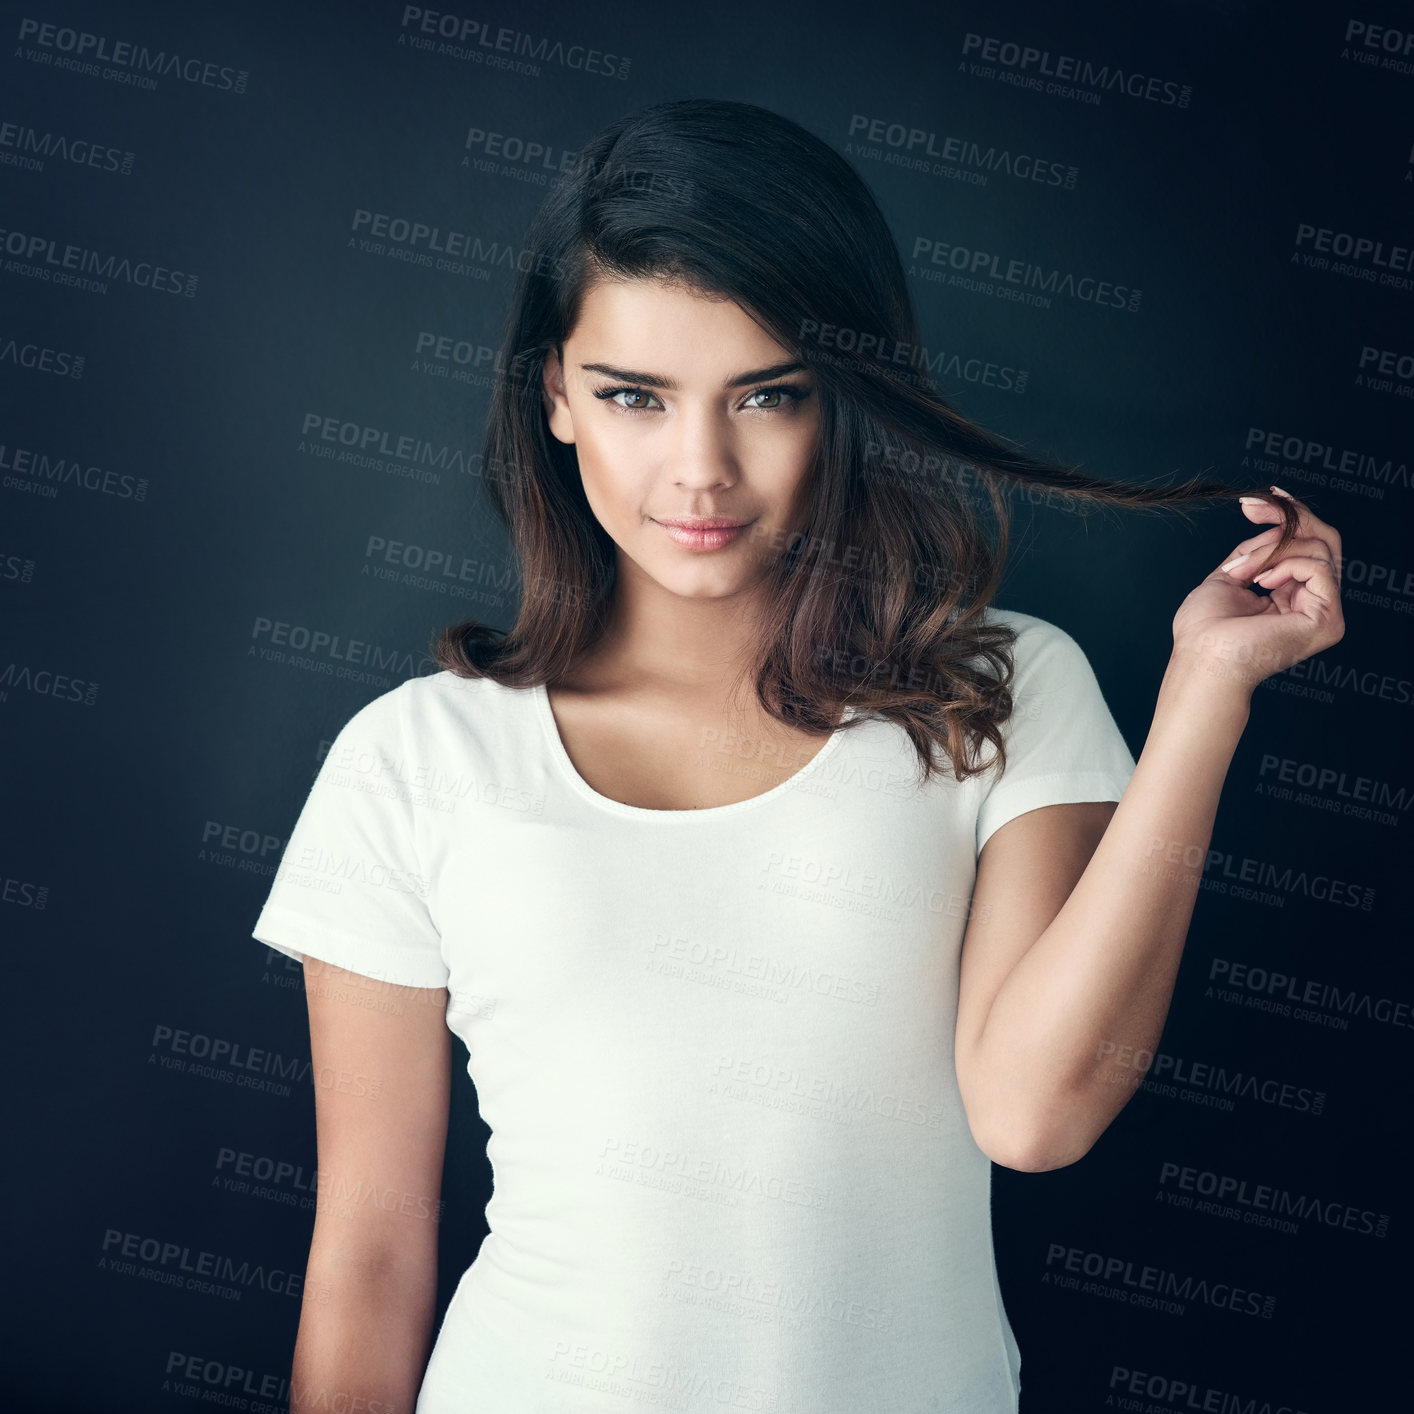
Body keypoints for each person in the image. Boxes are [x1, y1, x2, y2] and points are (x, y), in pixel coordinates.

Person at [251, 98, 1344, 1414]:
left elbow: (1033, 1113)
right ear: (553, 396)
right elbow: (368, 1251)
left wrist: (1203, 694)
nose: (698, 469)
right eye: (632, 397)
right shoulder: (410, 759)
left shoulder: (997, 691)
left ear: (841, 397)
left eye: (764, 395)